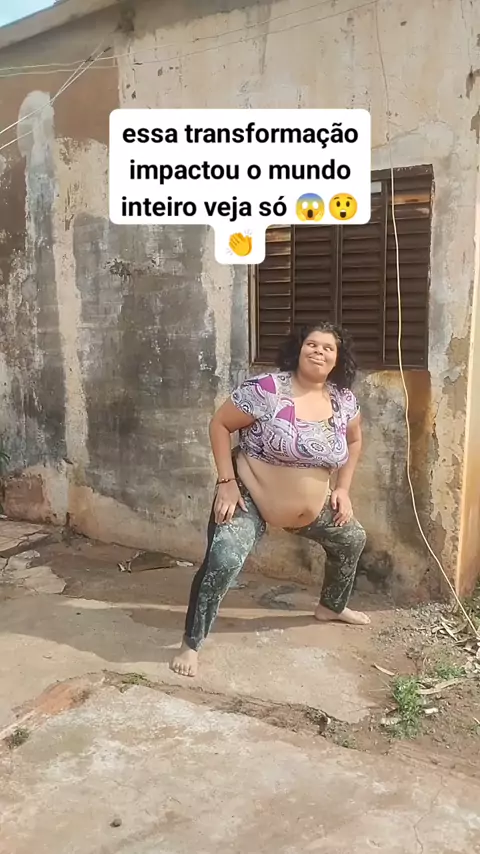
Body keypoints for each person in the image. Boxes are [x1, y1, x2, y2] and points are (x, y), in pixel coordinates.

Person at [171, 322, 368, 678]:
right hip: (248, 498)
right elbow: (220, 424)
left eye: (328, 348)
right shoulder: (267, 389)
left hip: (312, 510)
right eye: (312, 344)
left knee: (351, 538)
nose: (319, 351)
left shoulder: (343, 401)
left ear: (338, 359)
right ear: (299, 349)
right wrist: (226, 482)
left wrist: (342, 489)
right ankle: (191, 643)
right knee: (223, 558)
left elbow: (354, 441)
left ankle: (331, 606)